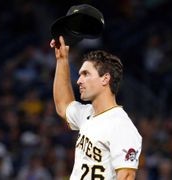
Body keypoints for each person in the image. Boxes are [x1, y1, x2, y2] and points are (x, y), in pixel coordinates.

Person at [50, 36, 142, 180]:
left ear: (105, 78)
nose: (79, 80)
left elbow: (126, 175)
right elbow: (63, 105)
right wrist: (62, 60)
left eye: (86, 74)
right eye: (80, 75)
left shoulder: (121, 125)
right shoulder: (88, 113)